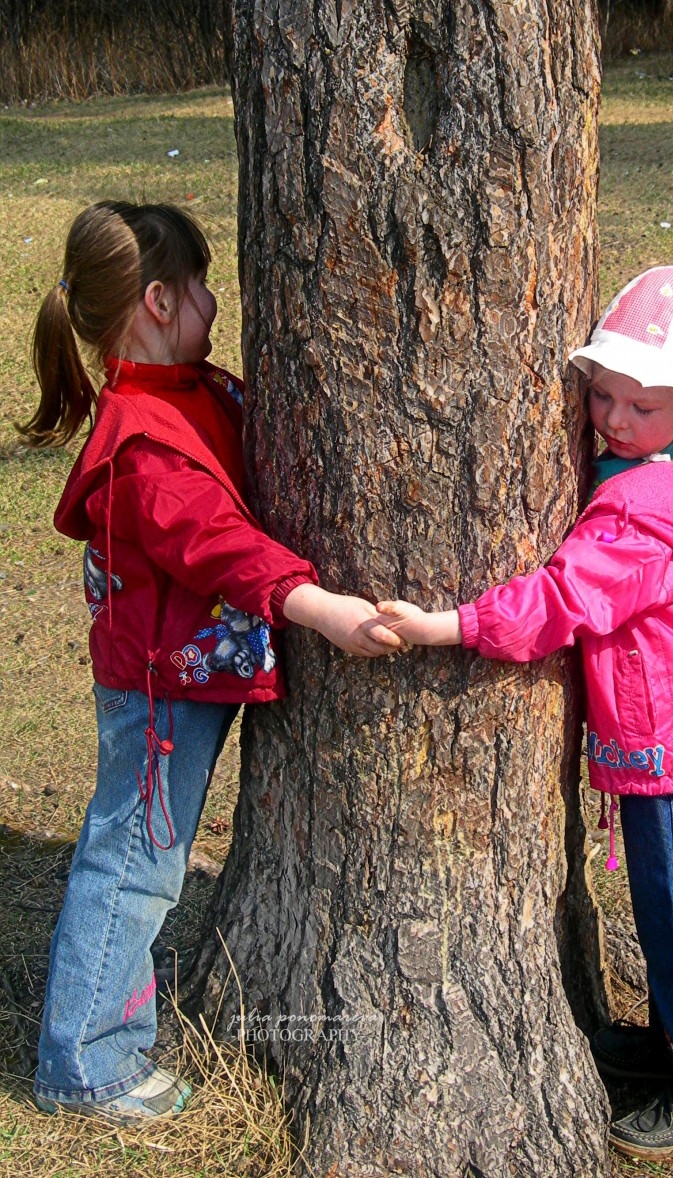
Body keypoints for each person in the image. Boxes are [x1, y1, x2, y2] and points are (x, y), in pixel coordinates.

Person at [20, 201, 400, 1124]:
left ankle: (96, 1044)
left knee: (145, 852)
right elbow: (216, 542)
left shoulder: (193, 389)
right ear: (156, 300)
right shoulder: (141, 445)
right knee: (135, 860)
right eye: (196, 286)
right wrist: (320, 608)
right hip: (159, 689)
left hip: (188, 670)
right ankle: (86, 1065)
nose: (213, 300)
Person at [377, 263, 673, 1161]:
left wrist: (447, 625)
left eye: (643, 408)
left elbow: (559, 602)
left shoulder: (638, 523)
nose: (617, 420)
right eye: (604, 396)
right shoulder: (672, 479)